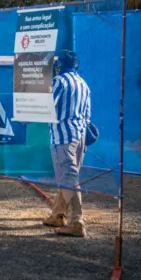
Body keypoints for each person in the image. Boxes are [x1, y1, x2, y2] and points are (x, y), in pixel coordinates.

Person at [43, 50, 91, 237]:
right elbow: (87, 115)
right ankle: (57, 215)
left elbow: (46, 106)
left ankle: (76, 223)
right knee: (68, 176)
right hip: (80, 137)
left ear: (60, 65)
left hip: (63, 137)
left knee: (68, 178)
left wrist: (26, 116)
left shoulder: (60, 82)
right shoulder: (83, 84)